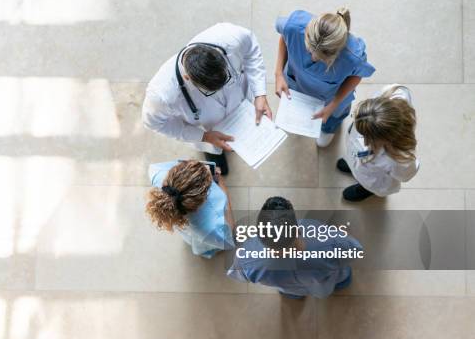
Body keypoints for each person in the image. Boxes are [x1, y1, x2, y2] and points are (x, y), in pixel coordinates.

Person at [142, 23, 272, 175]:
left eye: (227, 79)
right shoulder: (161, 95)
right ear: (187, 78)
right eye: (210, 91)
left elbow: (251, 50)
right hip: (208, 130)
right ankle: (215, 157)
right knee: (215, 154)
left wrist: (260, 93)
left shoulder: (228, 37)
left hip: (241, 107)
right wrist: (203, 136)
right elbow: (154, 123)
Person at [274, 8, 375, 147]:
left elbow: (357, 75)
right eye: (308, 50)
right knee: (297, 112)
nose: (312, 58)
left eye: (321, 58)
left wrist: (333, 105)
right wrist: (278, 74)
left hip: (331, 99)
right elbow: (285, 37)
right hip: (296, 84)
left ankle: (328, 128)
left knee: (332, 119)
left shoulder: (353, 56)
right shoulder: (294, 26)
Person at [227, 196, 362, 299]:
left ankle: (295, 296)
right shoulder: (324, 238)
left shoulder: (245, 258)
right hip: (322, 285)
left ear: (259, 234)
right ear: (297, 229)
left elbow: (237, 275)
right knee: (343, 278)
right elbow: (355, 250)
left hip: (288, 288)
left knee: (291, 293)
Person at [337, 84, 419, 201]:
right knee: (354, 159)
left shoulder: (401, 159)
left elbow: (405, 176)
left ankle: (365, 190)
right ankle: (352, 165)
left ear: (384, 138)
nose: (363, 139)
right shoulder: (389, 96)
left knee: (368, 182)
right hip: (357, 155)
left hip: (373, 178)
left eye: (365, 137)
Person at [146, 160, 235, 258]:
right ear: (201, 201)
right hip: (207, 239)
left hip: (190, 232)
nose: (207, 167)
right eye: (208, 183)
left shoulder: (157, 172)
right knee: (210, 245)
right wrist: (222, 185)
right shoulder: (214, 228)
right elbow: (228, 236)